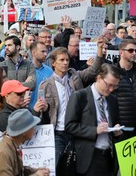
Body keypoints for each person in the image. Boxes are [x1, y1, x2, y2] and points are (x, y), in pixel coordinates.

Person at [39, 38, 105, 167]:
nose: (65, 63)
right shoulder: (45, 86)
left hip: (77, 130)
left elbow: (93, 71)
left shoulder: (75, 76)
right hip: (58, 132)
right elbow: (42, 114)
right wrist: (44, 108)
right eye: (61, 60)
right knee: (57, 165)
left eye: (67, 60)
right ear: (53, 63)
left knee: (79, 165)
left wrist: (99, 52)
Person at [65, 63, 122, 176]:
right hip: (89, 157)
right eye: (109, 85)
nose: (111, 89)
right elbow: (69, 126)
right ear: (99, 78)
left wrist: (116, 131)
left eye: (115, 86)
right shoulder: (80, 96)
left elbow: (115, 122)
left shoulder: (112, 100)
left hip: (108, 156)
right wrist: (94, 130)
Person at [0, 109, 50, 176]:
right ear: (24, 132)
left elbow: (18, 170)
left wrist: (35, 170)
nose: (34, 129)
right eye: (32, 127)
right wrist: (37, 175)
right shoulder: (4, 152)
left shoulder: (11, 145)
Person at [29, 41, 53, 109]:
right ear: (34, 53)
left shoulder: (49, 71)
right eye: (42, 51)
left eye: (46, 51)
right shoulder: (26, 70)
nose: (45, 54)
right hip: (30, 112)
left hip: (45, 111)